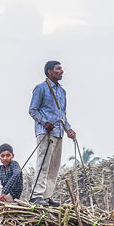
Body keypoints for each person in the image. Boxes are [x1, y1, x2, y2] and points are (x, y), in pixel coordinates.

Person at [28, 60, 76, 206]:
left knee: (54, 166)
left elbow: (63, 114)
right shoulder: (40, 88)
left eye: (61, 69)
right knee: (43, 163)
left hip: (59, 131)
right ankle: (36, 195)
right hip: (46, 132)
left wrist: (69, 129)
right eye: (58, 69)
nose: (61, 71)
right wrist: (44, 122)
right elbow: (32, 110)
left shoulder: (62, 91)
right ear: (50, 72)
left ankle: (47, 196)